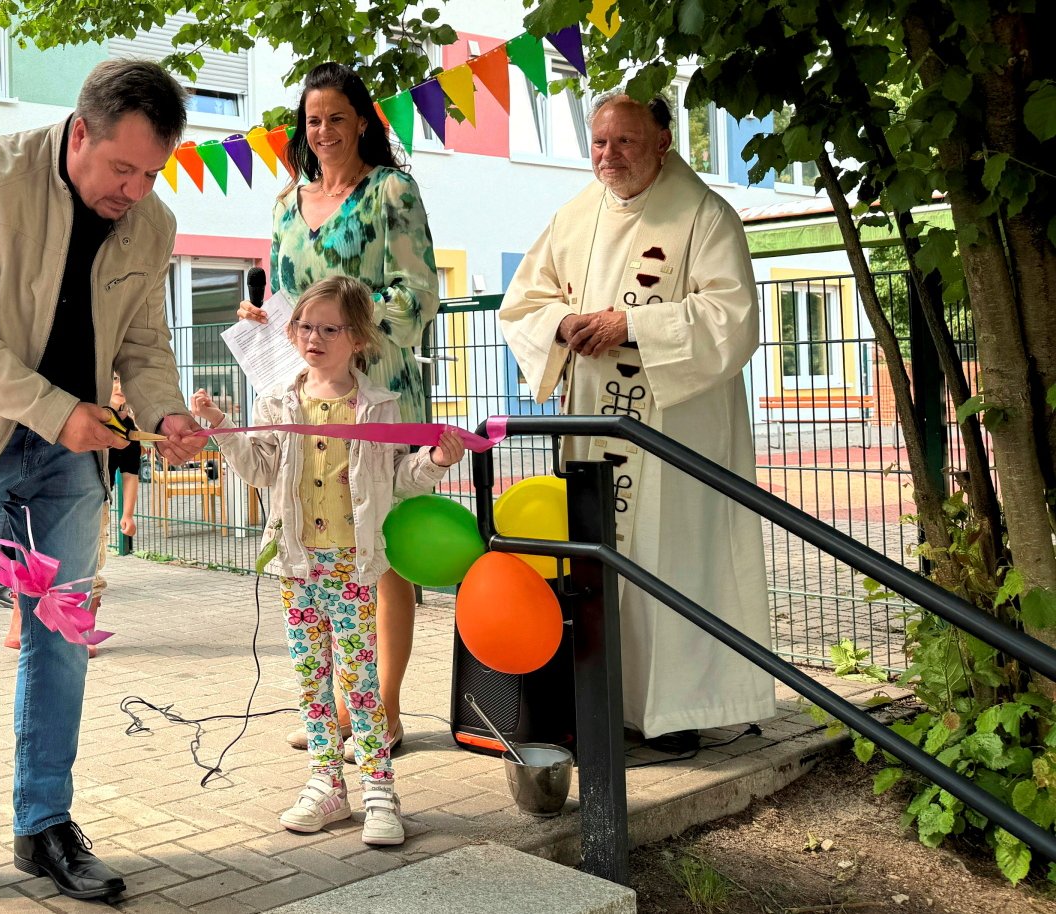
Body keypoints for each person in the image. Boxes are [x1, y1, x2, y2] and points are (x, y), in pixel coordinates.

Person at [0, 59, 207, 914]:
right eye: (122, 169)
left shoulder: (152, 222)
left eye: (152, 174)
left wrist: (167, 414)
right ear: (79, 132)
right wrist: (57, 412)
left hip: (70, 452)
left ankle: (46, 825)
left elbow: (143, 345)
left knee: (62, 639)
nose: (134, 191)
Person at [498, 94, 773, 751]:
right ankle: (603, 705)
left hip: (678, 427)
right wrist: (564, 323)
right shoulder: (573, 216)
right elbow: (524, 303)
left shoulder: (704, 215)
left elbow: (732, 317)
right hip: (596, 422)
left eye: (625, 141)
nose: (609, 156)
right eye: (599, 142)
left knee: (673, 560)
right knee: (598, 561)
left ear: (662, 141)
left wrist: (634, 325)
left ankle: (675, 712)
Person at [195, 276, 464, 846]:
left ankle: (379, 788)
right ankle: (326, 783)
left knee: (359, 681)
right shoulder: (276, 401)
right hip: (296, 565)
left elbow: (398, 479)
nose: (313, 337)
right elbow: (260, 469)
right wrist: (221, 428)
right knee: (311, 680)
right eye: (304, 326)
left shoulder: (379, 407)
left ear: (358, 338)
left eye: (329, 329)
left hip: (352, 565)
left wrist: (436, 462)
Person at [235, 62, 442, 755]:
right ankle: (339, 714)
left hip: (377, 391)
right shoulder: (285, 203)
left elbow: (417, 296)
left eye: (336, 118)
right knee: (323, 548)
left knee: (380, 551)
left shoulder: (391, 191)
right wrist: (268, 319)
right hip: (309, 395)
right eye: (313, 120)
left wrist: (347, 329)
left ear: (362, 123)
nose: (323, 131)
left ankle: (384, 712)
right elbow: (286, 299)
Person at [3, 373, 139, 656]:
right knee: (35, 559)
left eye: (124, 380)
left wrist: (128, 513)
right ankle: (20, 622)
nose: (120, 386)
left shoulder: (129, 430)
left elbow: (130, 473)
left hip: (96, 502)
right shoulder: (82, 413)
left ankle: (82, 631)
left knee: (89, 567)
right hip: (51, 492)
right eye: (114, 379)